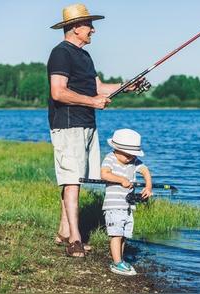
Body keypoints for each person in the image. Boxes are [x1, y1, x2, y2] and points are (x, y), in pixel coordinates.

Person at [48, 3, 142, 257]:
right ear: (76, 27)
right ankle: (75, 240)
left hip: (87, 123)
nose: (93, 30)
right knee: (72, 181)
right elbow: (58, 92)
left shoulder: (85, 56)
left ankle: (63, 232)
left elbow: (98, 89)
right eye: (89, 25)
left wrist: (127, 86)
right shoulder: (61, 53)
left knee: (75, 179)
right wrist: (92, 102)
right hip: (68, 125)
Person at [101, 129, 153, 275]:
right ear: (116, 149)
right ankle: (117, 263)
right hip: (113, 205)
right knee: (116, 234)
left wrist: (148, 186)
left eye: (132, 155)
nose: (130, 158)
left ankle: (120, 260)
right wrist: (121, 180)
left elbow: (145, 171)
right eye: (127, 155)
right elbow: (104, 174)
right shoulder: (110, 158)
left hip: (128, 206)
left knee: (123, 234)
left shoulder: (133, 161)